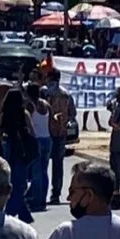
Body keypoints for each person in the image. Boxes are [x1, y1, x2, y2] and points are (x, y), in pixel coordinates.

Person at [0, 89, 36, 224]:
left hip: (9, 148)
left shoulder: (5, 115)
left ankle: (22, 213)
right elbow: (32, 132)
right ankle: (12, 211)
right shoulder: (23, 114)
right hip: (22, 150)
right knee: (20, 182)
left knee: (14, 181)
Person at [45, 69, 76, 204]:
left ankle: (40, 192)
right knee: (58, 165)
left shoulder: (45, 92)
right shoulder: (66, 94)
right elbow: (72, 113)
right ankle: (55, 194)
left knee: (41, 164)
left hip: (46, 132)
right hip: (61, 132)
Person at [25, 83, 53, 212]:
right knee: (43, 171)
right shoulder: (46, 104)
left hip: (37, 140)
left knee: (36, 172)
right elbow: (52, 121)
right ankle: (42, 199)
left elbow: (28, 123)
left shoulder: (30, 105)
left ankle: (36, 201)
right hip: (47, 138)